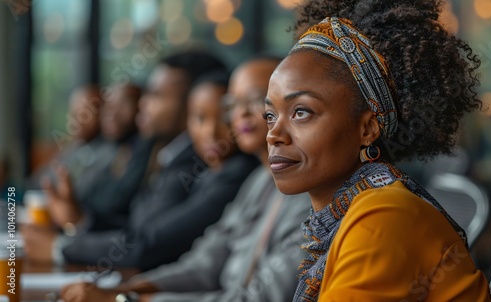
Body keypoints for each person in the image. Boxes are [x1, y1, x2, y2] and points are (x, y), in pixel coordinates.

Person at [263, 0, 491, 301]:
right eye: (270, 115)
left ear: (368, 128)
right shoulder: (351, 212)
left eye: (302, 111)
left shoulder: (384, 215)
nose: (274, 133)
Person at [59, 57, 311, 302]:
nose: (243, 114)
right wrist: (127, 291)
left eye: (257, 101)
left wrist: (123, 298)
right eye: (233, 104)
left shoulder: (296, 191)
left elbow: (256, 297)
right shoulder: (258, 180)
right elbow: (204, 264)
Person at [22, 51, 258, 271]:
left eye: (156, 95)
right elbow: (137, 229)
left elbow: (150, 243)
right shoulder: (165, 154)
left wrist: (60, 247)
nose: (142, 105)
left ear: (189, 104)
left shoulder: (216, 168)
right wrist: (79, 218)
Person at [44, 83, 153, 233]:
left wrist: (75, 209)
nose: (112, 112)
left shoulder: (142, 149)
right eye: (109, 105)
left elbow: (112, 206)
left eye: (124, 103)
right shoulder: (114, 148)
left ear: (142, 107)